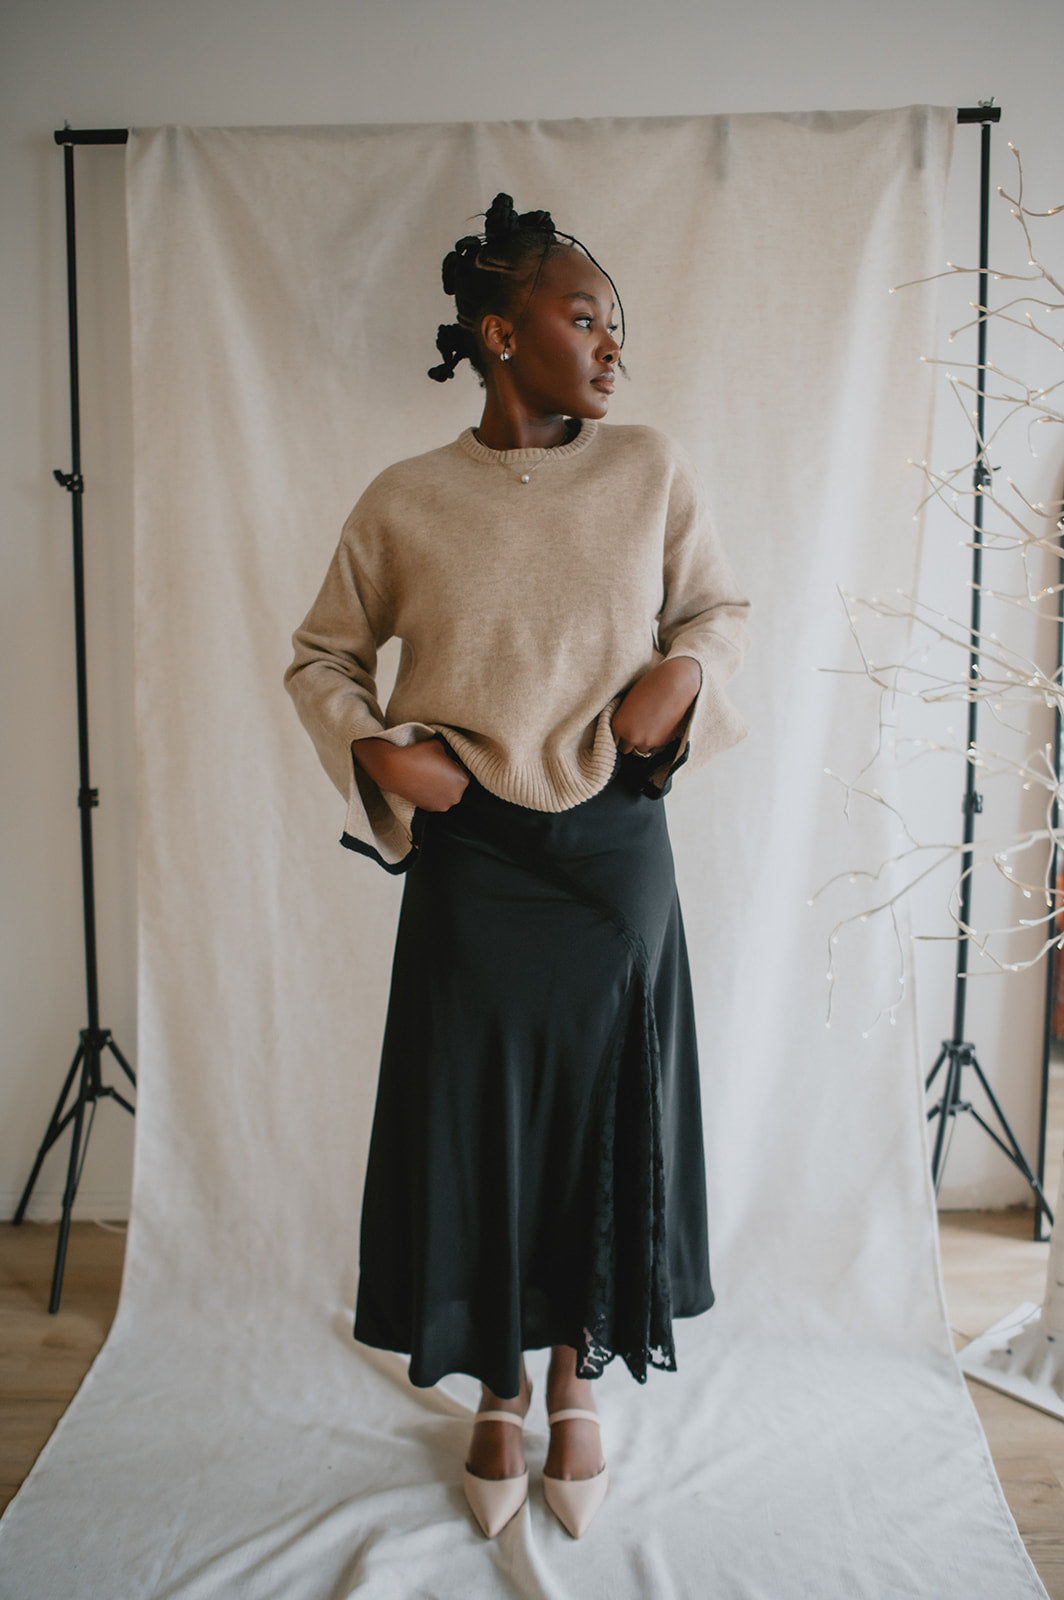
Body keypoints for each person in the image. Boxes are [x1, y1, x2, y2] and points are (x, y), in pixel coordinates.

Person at [284, 193, 750, 1540]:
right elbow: (319, 656)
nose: (612, 348)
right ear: (502, 333)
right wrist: (385, 754)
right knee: (481, 1112)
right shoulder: (406, 498)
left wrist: (683, 676)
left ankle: (572, 1375)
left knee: (601, 1110)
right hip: (473, 852)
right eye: (585, 318)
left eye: (616, 325)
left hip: (613, 851)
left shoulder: (649, 467)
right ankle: (498, 1382)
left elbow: (720, 609)